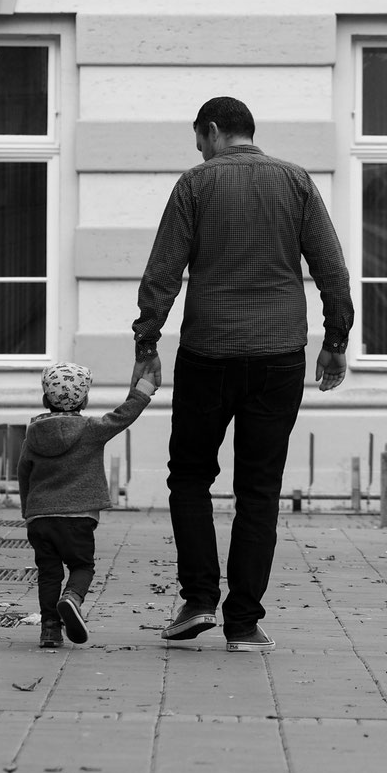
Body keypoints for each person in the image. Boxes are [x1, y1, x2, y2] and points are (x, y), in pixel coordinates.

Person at [130, 95, 353, 653]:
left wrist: (146, 342)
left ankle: (200, 599)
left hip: (208, 351)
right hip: (280, 354)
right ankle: (245, 623)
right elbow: (332, 269)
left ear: (211, 131)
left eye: (199, 140)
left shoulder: (195, 185)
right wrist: (337, 341)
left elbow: (164, 271)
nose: (199, 150)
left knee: (189, 476)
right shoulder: (297, 182)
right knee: (260, 489)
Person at [18, 360, 156, 649]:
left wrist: (27, 512)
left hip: (40, 518)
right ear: (86, 398)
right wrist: (145, 387)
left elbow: (23, 472)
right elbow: (123, 416)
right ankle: (72, 598)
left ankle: (50, 630)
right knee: (82, 566)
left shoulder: (33, 434)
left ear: (45, 399)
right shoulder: (91, 429)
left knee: (49, 572)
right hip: (78, 518)